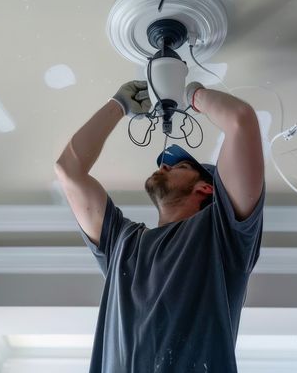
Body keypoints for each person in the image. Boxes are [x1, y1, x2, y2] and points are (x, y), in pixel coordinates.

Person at [55, 80, 265, 372]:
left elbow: (240, 119)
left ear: (206, 188)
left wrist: (191, 94)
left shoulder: (223, 234)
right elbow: (69, 171)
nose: (164, 167)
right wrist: (119, 105)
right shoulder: (123, 242)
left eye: (178, 166)